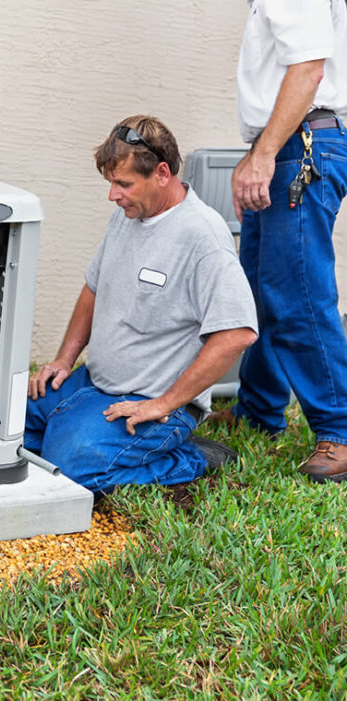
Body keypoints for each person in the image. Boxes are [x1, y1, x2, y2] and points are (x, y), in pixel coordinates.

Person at [26, 116, 259, 494]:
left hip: (151, 402)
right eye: (112, 183)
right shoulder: (128, 216)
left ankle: (192, 457)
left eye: (124, 184)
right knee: (8, 432)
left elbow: (237, 333)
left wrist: (164, 403)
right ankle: (80, 429)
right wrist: (64, 359)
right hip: (93, 384)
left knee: (71, 471)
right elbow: (93, 288)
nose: (113, 195)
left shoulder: (202, 236)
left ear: (162, 173)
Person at [223, 0, 347, 483]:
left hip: (300, 147)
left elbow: (309, 69)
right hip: (287, 145)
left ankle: (339, 429)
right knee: (261, 287)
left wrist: (265, 153)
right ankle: (259, 408)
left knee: (297, 293)